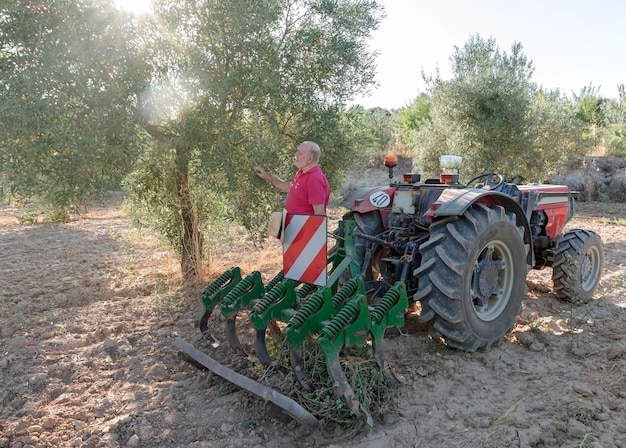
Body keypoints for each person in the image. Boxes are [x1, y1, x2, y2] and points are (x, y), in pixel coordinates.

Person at [255, 141, 330, 215]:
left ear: (309, 159)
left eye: (300, 153)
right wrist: (267, 177)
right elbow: (289, 187)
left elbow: (319, 214)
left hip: (303, 226)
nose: (295, 154)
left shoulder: (315, 179)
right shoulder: (301, 172)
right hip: (293, 224)